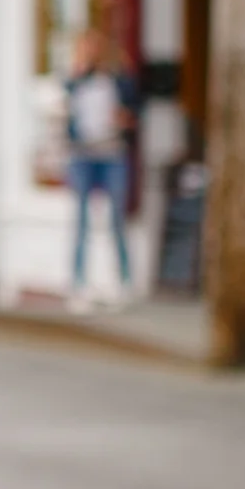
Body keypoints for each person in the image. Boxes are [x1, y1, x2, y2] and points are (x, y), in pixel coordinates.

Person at [64, 29, 139, 314]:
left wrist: (124, 117)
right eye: (87, 48)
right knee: (82, 221)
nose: (93, 54)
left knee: (116, 219)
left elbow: (134, 109)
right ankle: (79, 284)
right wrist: (78, 73)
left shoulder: (118, 79)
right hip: (83, 155)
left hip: (112, 153)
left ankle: (121, 282)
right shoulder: (75, 80)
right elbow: (65, 107)